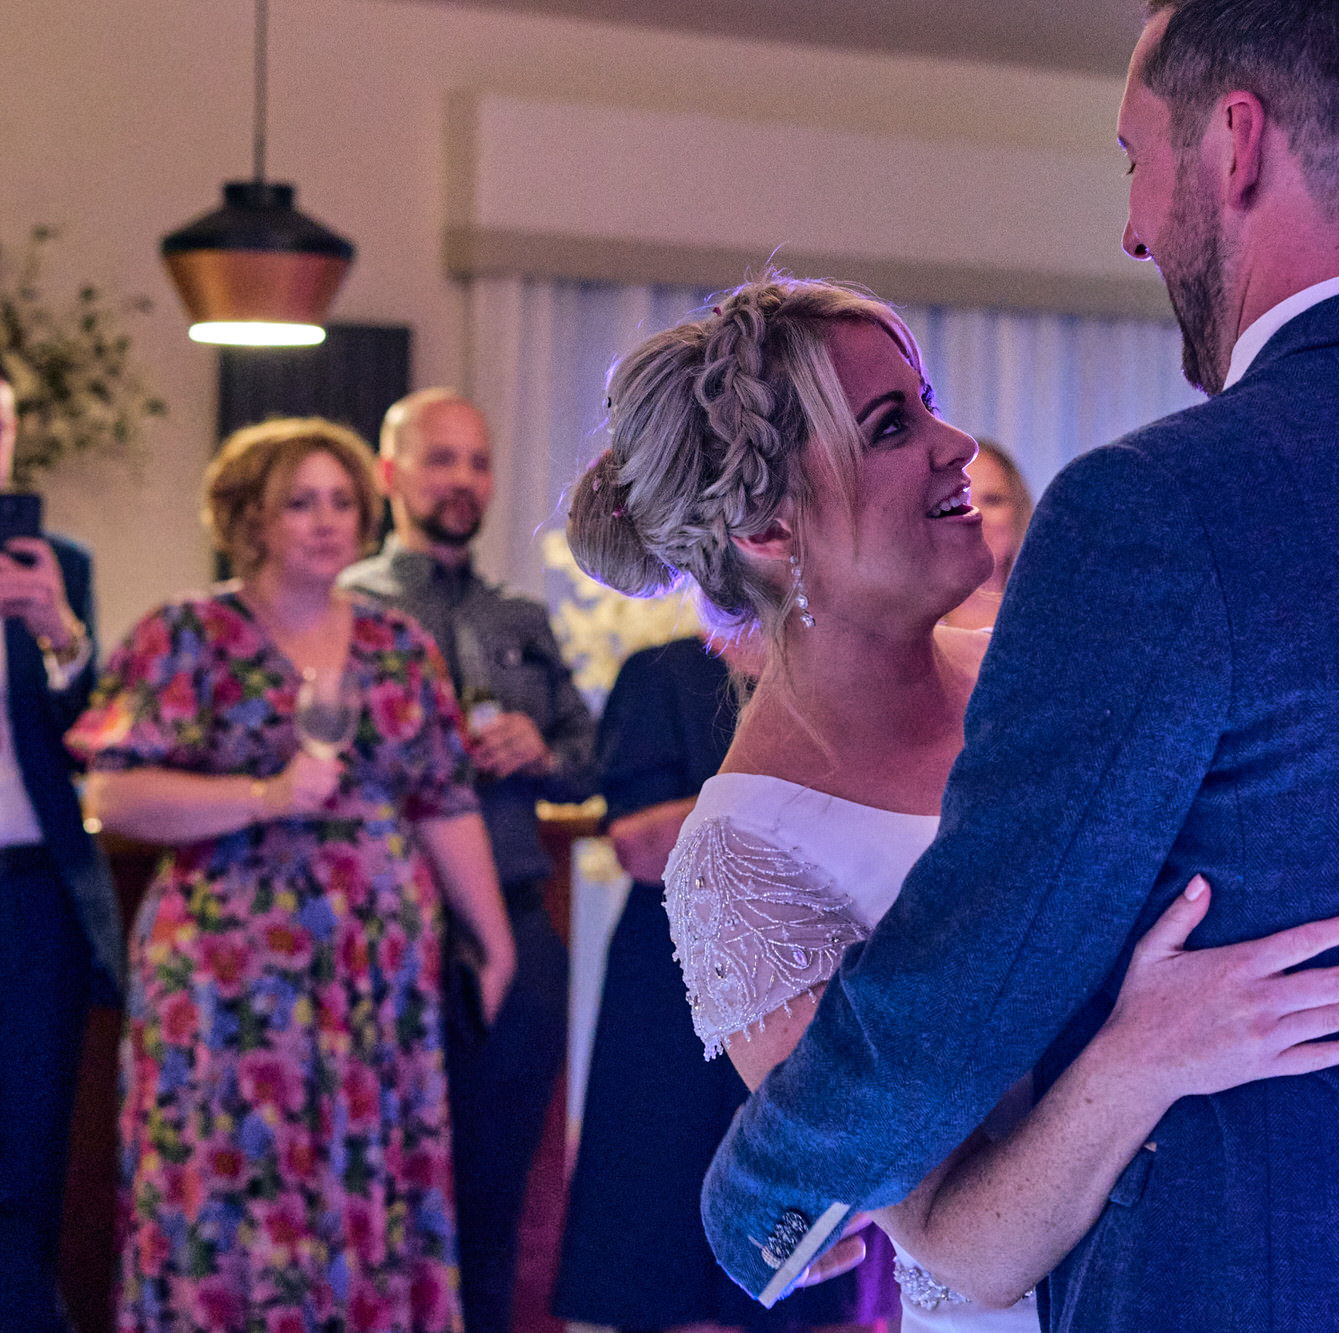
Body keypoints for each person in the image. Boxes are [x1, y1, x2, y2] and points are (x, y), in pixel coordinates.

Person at [690, 2, 1339, 1328]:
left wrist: (755, 1202)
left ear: (1235, 144)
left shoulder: (1155, 515)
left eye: (1133, 159)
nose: (1134, 225)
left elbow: (973, 969)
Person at [68, 417, 515, 1332]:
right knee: (225, 1175)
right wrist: (264, 794)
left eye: (342, 501)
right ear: (251, 518)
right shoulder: (186, 634)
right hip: (227, 974)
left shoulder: (399, 648)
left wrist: (495, 941)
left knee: (365, 1176)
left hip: (372, 975)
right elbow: (114, 795)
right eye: (299, 502)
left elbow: (444, 798)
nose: (325, 520)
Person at [339, 388, 594, 1333]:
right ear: (389, 472)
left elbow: (591, 756)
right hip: (384, 929)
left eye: (477, 462)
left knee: (496, 1197)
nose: (462, 481)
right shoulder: (344, 609)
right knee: (380, 1193)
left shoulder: (518, 615)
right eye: (440, 459)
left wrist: (540, 746)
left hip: (521, 927)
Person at [554, 633, 863, 1332]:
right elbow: (637, 842)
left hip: (806, 971)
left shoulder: (845, 666)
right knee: (663, 1228)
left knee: (810, 1272)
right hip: (672, 982)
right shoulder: (661, 673)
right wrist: (798, 802)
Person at [0, 358, 122, 1333]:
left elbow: (95, 725)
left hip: (33, 887)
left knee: (31, 1143)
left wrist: (62, 634)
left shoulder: (57, 561)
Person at [941, 442, 1032, 631]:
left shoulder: (1053, 622)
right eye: (959, 500)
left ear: (1019, 511)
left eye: (992, 500)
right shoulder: (902, 625)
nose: (976, 515)